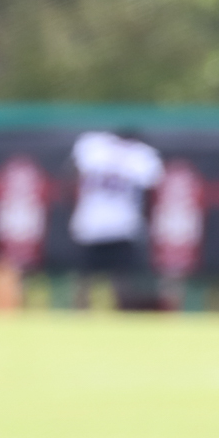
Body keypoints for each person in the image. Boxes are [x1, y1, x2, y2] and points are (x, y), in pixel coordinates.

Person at [69, 128, 164, 306]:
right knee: (120, 279)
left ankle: (80, 314)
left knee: (85, 279)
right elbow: (151, 192)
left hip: (91, 223)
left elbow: (71, 175)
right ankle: (120, 316)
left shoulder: (93, 146)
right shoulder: (140, 155)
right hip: (121, 225)